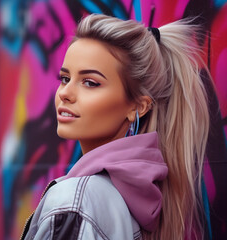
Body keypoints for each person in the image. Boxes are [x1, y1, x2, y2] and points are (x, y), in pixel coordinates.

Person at [21, 14, 210, 240]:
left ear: (138, 107)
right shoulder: (138, 198)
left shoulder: (74, 202)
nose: (65, 93)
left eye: (90, 82)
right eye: (65, 78)